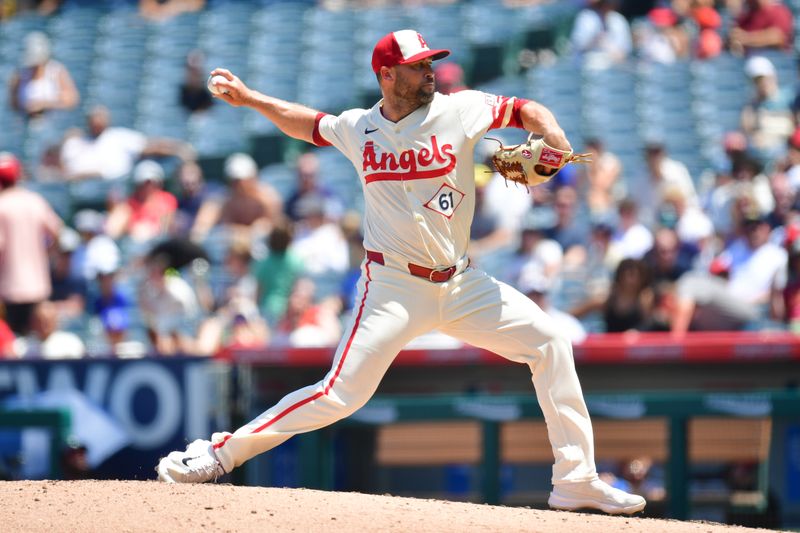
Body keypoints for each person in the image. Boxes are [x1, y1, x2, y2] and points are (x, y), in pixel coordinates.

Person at [156, 29, 646, 515]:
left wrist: (553, 136)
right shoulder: (359, 127)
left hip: (460, 282)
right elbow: (308, 124)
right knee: (340, 394)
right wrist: (250, 99)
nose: (429, 70)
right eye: (418, 65)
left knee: (550, 341)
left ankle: (576, 479)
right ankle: (219, 453)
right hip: (391, 286)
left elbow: (524, 109)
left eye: (431, 62)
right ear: (388, 74)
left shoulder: (459, 108)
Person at [0, 152, 62, 335]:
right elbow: (57, 233)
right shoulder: (34, 200)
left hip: (8, 288)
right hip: (38, 286)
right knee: (37, 343)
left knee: (14, 345)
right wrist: (47, 254)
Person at [59, 105, 195, 181]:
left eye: (101, 117)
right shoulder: (75, 142)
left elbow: (149, 146)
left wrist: (177, 148)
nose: (97, 122)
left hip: (116, 187)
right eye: (94, 118)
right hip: (79, 188)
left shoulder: (118, 136)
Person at [8, 31, 79, 120]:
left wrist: (44, 104)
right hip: (27, 124)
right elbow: (13, 104)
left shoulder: (56, 71)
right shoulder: (20, 75)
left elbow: (72, 100)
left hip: (53, 124)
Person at [105, 159, 178, 243]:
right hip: (134, 243)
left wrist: (149, 230)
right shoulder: (128, 204)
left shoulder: (167, 199)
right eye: (144, 183)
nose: (147, 186)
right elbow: (113, 230)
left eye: (151, 182)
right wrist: (131, 229)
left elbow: (166, 227)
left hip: (158, 244)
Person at [728, 0, 794, 55]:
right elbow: (735, 35)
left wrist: (745, 38)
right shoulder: (747, 14)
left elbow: (777, 38)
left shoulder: (779, 12)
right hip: (746, 59)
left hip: (774, 61)